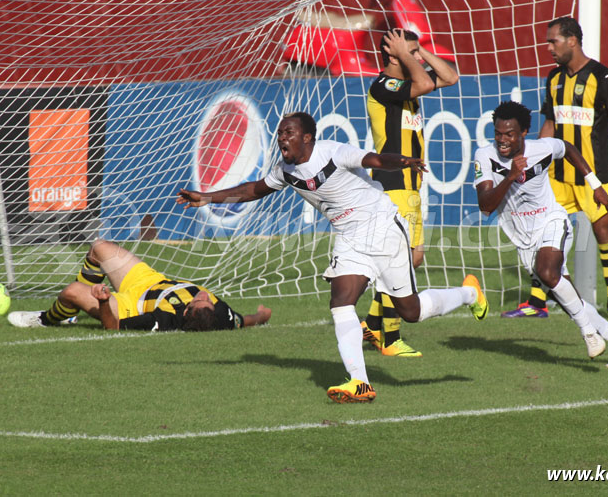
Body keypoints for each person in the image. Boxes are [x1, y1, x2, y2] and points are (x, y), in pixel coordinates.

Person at [178, 112, 488, 403]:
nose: (281, 138)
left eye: (289, 133)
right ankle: (360, 382)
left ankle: (470, 292)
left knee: (412, 311)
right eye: (279, 133)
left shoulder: (333, 152)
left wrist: (402, 161)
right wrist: (206, 197)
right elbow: (252, 191)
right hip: (350, 238)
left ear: (308, 138)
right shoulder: (286, 171)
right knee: (340, 303)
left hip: (382, 228)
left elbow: (375, 159)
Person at [474, 101, 608, 368]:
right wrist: (510, 177)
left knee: (548, 273)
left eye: (509, 134)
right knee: (567, 295)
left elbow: (569, 149)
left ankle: (588, 334)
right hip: (522, 237)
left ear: (524, 132)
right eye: (498, 133)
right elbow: (485, 205)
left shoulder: (542, 148)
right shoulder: (484, 156)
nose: (502, 140)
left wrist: (594, 184)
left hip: (552, 221)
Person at [502, 16, 608, 320]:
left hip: (595, 174)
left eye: (554, 41)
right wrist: (535, 161)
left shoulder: (603, 77)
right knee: (542, 232)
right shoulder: (554, 78)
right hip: (558, 175)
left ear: (572, 41)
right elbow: (550, 123)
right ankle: (537, 304)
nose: (549, 47)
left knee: (603, 231)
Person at [363, 28, 460, 357]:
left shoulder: (407, 82)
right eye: (408, 51)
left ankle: (372, 322)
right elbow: (424, 84)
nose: (415, 57)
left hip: (411, 185)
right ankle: (390, 339)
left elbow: (450, 77)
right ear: (393, 55)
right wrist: (407, 55)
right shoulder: (383, 85)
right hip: (392, 184)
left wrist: (418, 52)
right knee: (399, 262)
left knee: (413, 258)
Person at [7, 239, 271, 331]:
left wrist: (101, 301)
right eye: (208, 300)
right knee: (99, 248)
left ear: (188, 311)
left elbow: (114, 326)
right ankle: (71, 314)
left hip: (129, 305)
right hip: (149, 280)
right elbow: (243, 320)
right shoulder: (220, 316)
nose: (204, 294)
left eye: (199, 300)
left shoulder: (164, 321)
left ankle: (48, 319)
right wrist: (262, 315)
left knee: (71, 292)